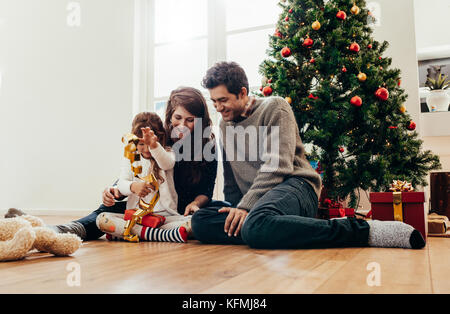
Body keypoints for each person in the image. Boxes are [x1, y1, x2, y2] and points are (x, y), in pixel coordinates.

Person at [191, 61, 426, 250]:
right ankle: (271, 230)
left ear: (242, 93)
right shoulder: (225, 125)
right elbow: (231, 180)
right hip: (258, 204)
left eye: (223, 100)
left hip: (296, 187)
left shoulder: (274, 107)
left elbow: (277, 167)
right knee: (201, 222)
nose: (218, 108)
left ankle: (359, 230)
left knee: (256, 224)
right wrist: (235, 210)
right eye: (214, 102)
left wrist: (244, 209)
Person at [6, 87, 222, 241]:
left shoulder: (205, 148)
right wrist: (114, 189)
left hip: (174, 210)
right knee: (109, 207)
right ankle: (49, 229)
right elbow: (134, 170)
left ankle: (51, 228)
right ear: (169, 115)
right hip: (143, 199)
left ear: (201, 120)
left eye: (190, 120)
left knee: (218, 210)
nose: (182, 126)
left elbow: (206, 192)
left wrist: (197, 203)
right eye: (177, 118)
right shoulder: (158, 138)